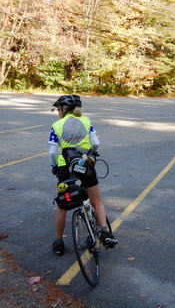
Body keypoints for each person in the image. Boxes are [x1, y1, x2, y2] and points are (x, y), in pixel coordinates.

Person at [49, 95, 118, 255]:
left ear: (64, 109)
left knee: (62, 205)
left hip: (65, 168)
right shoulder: (86, 121)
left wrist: (55, 166)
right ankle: (103, 231)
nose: (58, 111)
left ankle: (59, 242)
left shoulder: (56, 125)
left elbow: (53, 152)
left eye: (59, 108)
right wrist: (92, 154)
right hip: (86, 163)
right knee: (97, 200)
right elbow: (96, 143)